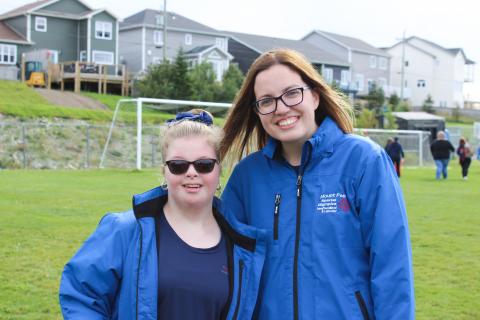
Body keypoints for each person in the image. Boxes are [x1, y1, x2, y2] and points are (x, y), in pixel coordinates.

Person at [220, 49, 414, 319]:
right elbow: (220, 263)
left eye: (291, 93)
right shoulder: (247, 176)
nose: (281, 108)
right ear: (258, 111)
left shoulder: (364, 161)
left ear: (314, 96)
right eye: (266, 101)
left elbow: (392, 268)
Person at [59, 110, 267, 319]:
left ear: (219, 170)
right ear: (164, 171)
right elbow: (81, 295)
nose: (191, 172)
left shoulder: (242, 246)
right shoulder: (126, 230)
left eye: (204, 164)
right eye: (178, 165)